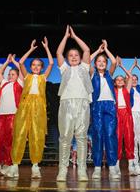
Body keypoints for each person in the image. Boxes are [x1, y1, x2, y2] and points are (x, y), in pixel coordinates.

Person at [7, 37, 53, 178]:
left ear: (41, 68)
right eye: (33, 64)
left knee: (37, 135)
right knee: (19, 134)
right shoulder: (26, 76)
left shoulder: (43, 77)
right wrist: (31, 49)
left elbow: (51, 62)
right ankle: (14, 165)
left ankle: (35, 166)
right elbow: (21, 62)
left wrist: (46, 47)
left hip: (39, 108)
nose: (36, 67)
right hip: (25, 106)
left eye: (38, 65)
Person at [56, 25, 93, 182]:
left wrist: (75, 36)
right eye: (70, 55)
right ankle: (63, 170)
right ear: (67, 58)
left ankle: (82, 170)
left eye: (76, 54)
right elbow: (58, 52)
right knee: (65, 137)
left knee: (82, 137)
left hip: (83, 104)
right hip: (66, 104)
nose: (73, 57)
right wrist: (65, 37)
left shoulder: (84, 67)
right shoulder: (64, 69)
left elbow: (87, 50)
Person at [90, 40, 120, 180]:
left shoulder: (109, 73)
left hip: (109, 106)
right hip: (97, 106)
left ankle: (113, 167)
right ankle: (97, 167)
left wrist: (106, 49)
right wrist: (97, 51)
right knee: (98, 135)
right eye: (99, 61)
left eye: (103, 61)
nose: (101, 63)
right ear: (95, 64)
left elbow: (114, 62)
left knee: (110, 135)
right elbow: (87, 60)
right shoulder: (92, 74)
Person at [0, 54, 24, 175]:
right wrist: (6, 61)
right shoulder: (4, 83)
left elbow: (21, 68)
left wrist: (14, 61)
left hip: (12, 115)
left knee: (9, 141)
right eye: (9, 74)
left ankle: (8, 164)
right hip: (0, 115)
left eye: (12, 74)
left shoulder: (20, 83)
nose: (10, 76)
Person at [114, 57, 136, 176]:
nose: (120, 81)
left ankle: (131, 166)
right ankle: (116, 166)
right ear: (115, 82)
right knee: (117, 139)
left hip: (127, 115)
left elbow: (130, 76)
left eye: (122, 79)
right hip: (117, 115)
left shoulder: (127, 89)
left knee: (129, 139)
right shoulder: (113, 91)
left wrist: (121, 66)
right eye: (117, 79)